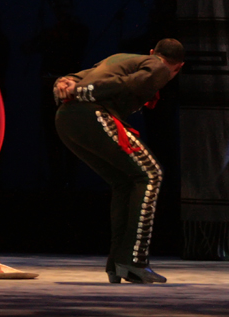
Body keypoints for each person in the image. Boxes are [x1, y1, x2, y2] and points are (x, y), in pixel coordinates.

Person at [53, 38, 184, 284]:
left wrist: (64, 82)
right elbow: (128, 84)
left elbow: (77, 76)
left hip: (66, 119)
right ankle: (134, 261)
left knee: (125, 181)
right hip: (91, 114)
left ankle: (117, 263)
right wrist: (82, 91)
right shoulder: (159, 67)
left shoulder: (120, 58)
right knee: (151, 174)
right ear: (178, 67)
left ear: (152, 50)